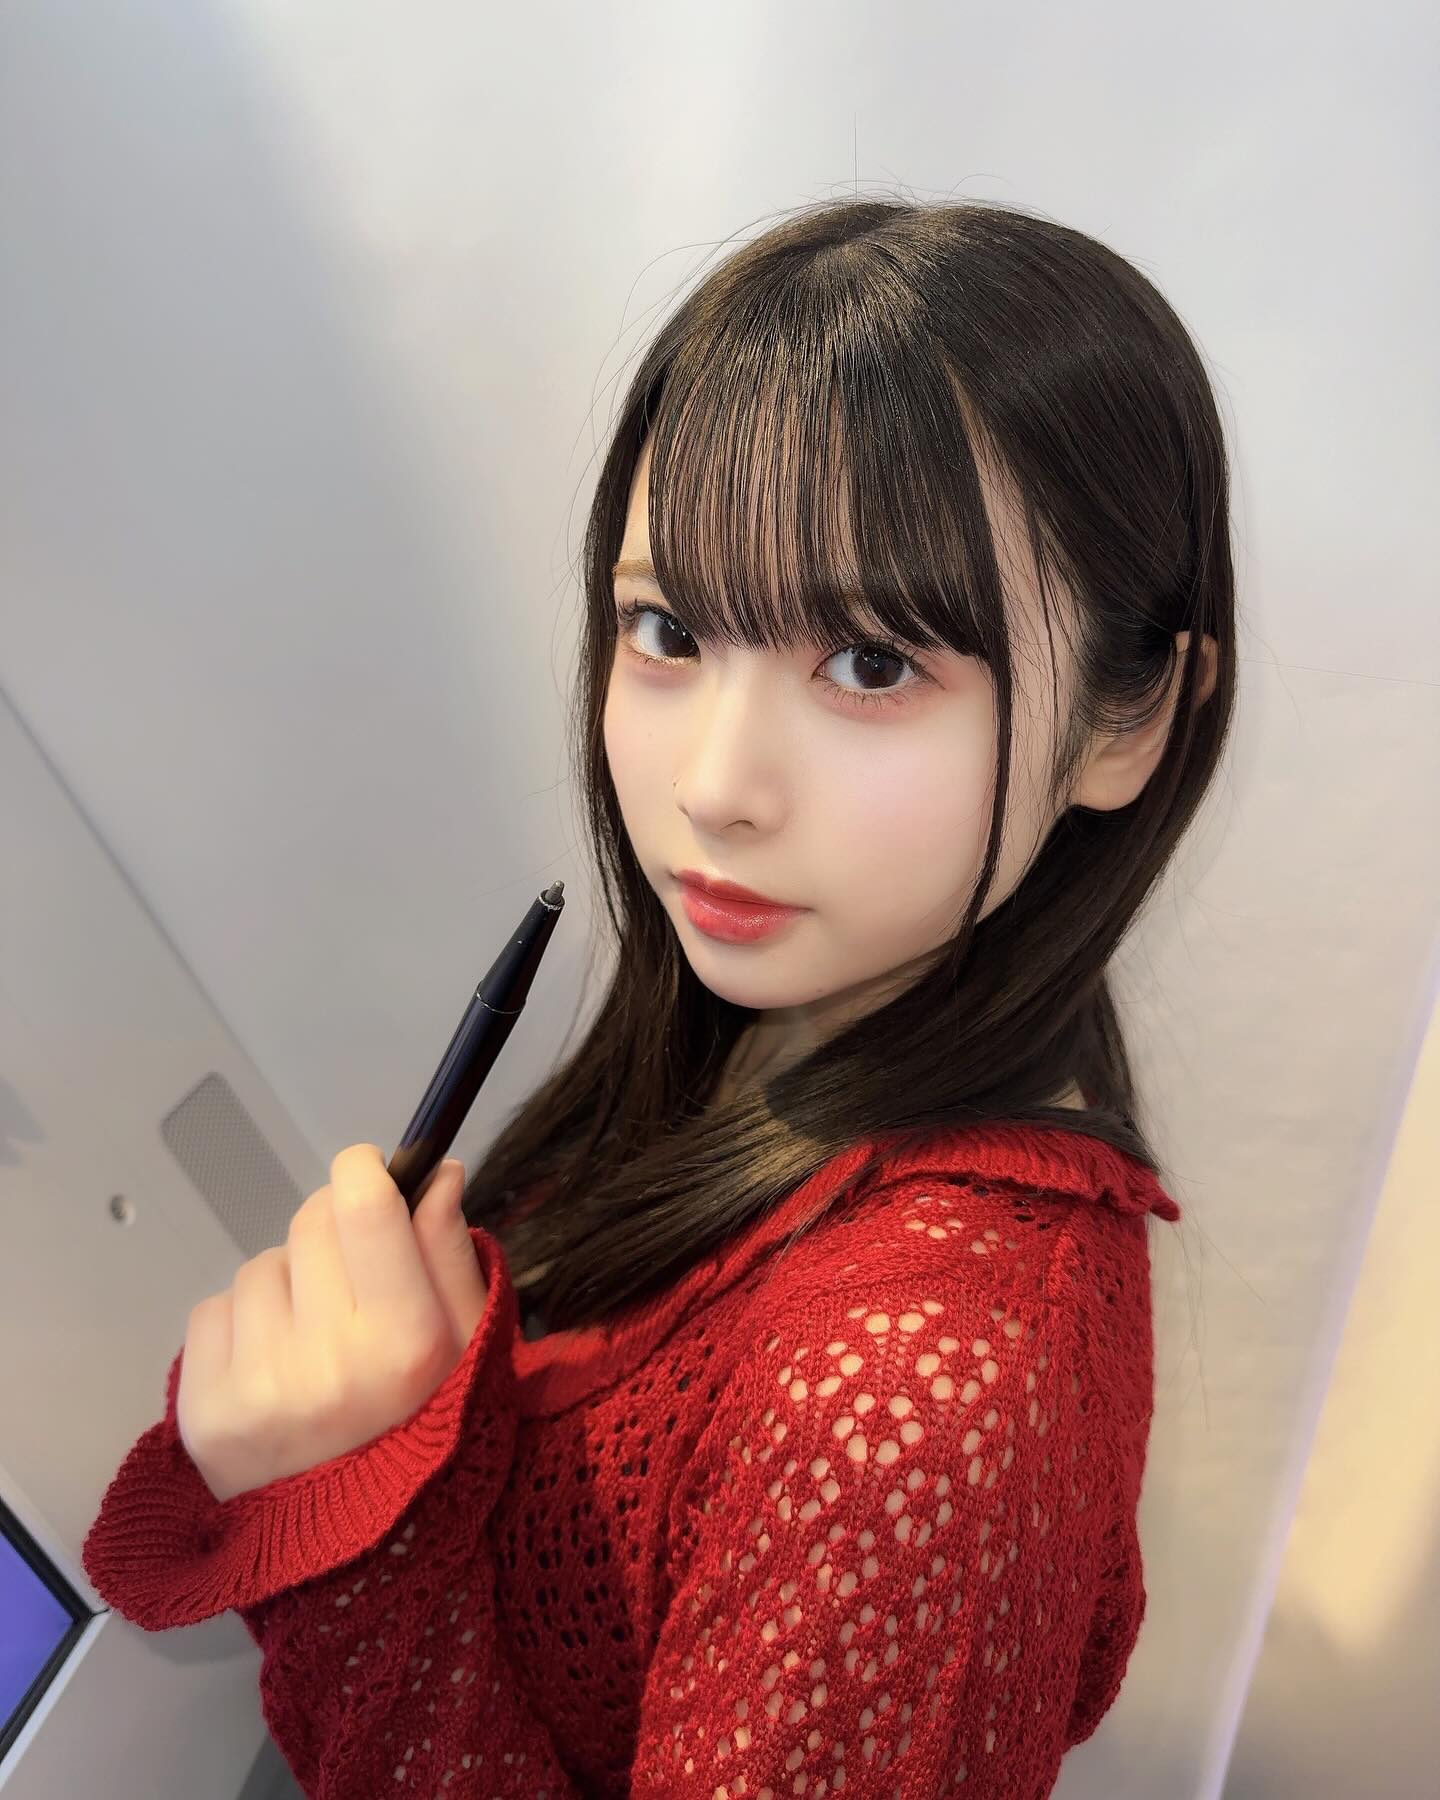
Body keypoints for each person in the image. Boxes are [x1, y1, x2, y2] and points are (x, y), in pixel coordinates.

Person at [83, 196, 1231, 1798]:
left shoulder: (912, 1396)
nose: (713, 786)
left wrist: (353, 1526)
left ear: (1131, 719)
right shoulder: (787, 1026)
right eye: (668, 629)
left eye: (874, 664)